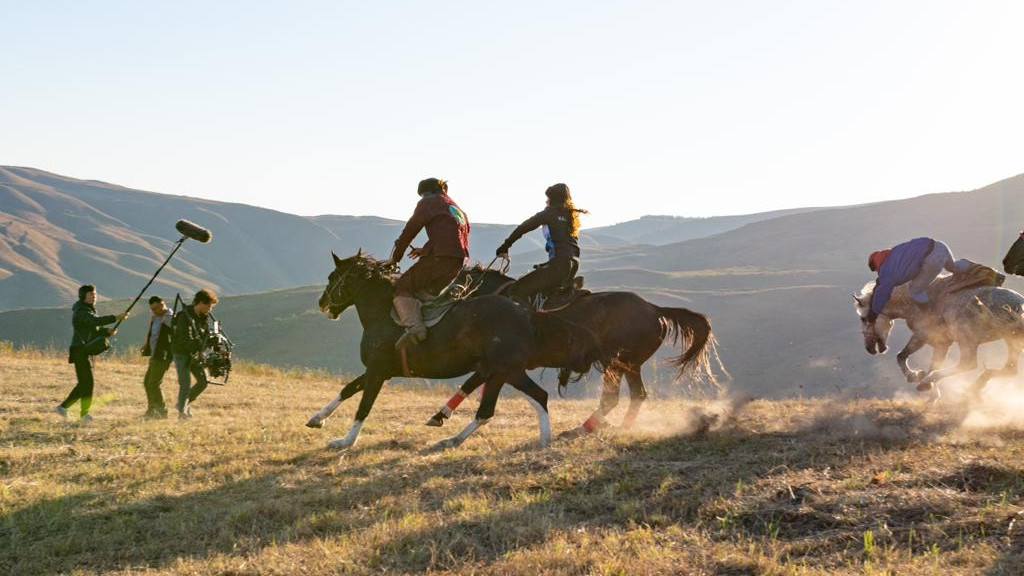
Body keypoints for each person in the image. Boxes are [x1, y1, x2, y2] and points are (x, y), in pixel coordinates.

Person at [385, 178, 470, 349]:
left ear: (426, 193)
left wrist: (395, 258)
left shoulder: (428, 203)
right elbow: (451, 235)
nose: (422, 198)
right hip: (458, 261)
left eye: (422, 195)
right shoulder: (455, 208)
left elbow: (409, 231)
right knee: (425, 292)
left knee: (402, 287)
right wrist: (424, 251)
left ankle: (416, 331)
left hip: (439, 260)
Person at [496, 183, 587, 305]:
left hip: (558, 265)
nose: (546, 201)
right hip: (573, 265)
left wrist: (504, 247)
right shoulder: (570, 216)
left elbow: (523, 228)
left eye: (548, 198)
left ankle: (525, 322)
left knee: (516, 289)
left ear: (551, 199)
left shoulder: (549, 213)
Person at [57, 284, 128, 421]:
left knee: (85, 383)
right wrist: (116, 318)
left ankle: (66, 408)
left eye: (94, 294)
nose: (94, 297)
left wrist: (106, 332)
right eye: (90, 295)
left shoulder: (87, 310)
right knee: (87, 383)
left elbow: (93, 329)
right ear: (83, 296)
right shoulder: (82, 311)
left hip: (84, 350)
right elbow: (94, 321)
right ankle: (81, 413)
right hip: (80, 350)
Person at [866, 237, 971, 323]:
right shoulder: (895, 252)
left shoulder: (886, 272)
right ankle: (975, 268)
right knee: (953, 267)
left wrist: (873, 313)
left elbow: (883, 294)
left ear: (875, 265)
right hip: (939, 246)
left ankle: (932, 319)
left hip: (931, 260)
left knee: (915, 290)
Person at [172, 289, 218, 420]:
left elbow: (205, 337)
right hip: (181, 354)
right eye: (209, 306)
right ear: (200, 303)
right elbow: (185, 339)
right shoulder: (183, 316)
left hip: (194, 354)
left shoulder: (203, 318)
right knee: (185, 384)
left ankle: (182, 405)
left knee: (203, 382)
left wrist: (213, 344)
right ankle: (182, 414)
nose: (210, 309)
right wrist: (200, 349)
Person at [140, 295, 174, 419]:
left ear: (162, 304)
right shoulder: (155, 317)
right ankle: (152, 410)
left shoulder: (170, 318)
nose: (154, 311)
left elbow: (174, 338)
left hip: (163, 356)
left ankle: (161, 412)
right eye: (152, 309)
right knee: (147, 382)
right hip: (155, 354)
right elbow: (152, 333)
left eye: (156, 308)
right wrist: (146, 344)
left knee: (153, 383)